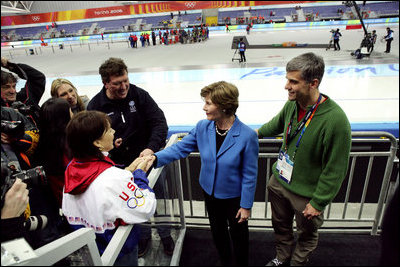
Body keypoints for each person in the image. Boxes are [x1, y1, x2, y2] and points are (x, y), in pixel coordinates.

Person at [146, 81, 259, 266]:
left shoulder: (247, 136)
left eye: (208, 103)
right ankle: (225, 261)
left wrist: (246, 206)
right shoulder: (203, 127)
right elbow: (181, 148)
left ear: (223, 106)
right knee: (218, 231)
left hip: (234, 198)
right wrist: (155, 158)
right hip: (210, 192)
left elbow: (250, 174)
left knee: (239, 236)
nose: (204, 107)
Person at [257, 53, 351, 266]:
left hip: (306, 195)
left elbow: (335, 168)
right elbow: (277, 124)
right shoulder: (293, 103)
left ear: (313, 83)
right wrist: (254, 134)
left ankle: (297, 263)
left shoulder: (335, 120)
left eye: (293, 81)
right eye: (287, 79)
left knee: (306, 235)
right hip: (280, 182)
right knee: (280, 226)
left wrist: (318, 202)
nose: (286, 86)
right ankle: (282, 257)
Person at [86, 57, 174, 257]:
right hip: (120, 169)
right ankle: (142, 238)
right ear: (106, 83)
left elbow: (159, 123)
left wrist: (151, 148)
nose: (124, 86)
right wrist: (113, 151)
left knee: (159, 200)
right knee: (131, 205)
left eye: (125, 80)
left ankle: (166, 235)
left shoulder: (139, 95)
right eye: (117, 83)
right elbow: (93, 143)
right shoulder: (96, 106)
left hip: (149, 162)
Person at [62, 110, 156, 266]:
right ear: (97, 143)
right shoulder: (112, 178)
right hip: (118, 250)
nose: (113, 132)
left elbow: (101, 185)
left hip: (92, 250)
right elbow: (145, 207)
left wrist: (128, 171)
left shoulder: (72, 168)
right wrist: (140, 176)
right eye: (108, 129)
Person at [35, 98, 73, 207]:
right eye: (69, 110)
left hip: (61, 204)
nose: (72, 113)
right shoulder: (69, 148)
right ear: (63, 118)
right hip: (75, 203)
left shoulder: (43, 145)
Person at [1, 57, 46, 127]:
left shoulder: (25, 99)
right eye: (6, 87)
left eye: (14, 86)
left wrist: (9, 65)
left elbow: (38, 77)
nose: (12, 91)